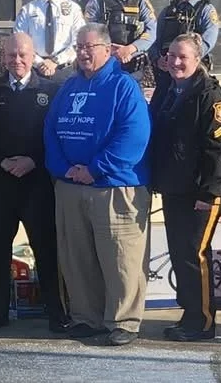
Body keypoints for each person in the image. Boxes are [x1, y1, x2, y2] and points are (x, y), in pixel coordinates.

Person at [44, 24, 152, 347]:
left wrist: (95, 169)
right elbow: (50, 129)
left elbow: (133, 135)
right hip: (71, 185)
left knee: (120, 257)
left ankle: (123, 321)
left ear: (107, 50)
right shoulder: (68, 87)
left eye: (89, 47)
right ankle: (86, 317)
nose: (82, 53)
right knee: (77, 257)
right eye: (78, 47)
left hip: (114, 187)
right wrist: (65, 169)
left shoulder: (124, 87)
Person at [0, 35, 67, 334]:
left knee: (46, 250)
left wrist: (33, 161)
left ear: (33, 55)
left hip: (36, 184)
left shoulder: (52, 91)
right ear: (4, 57)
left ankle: (56, 312)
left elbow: (57, 136)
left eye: (23, 54)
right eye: (12, 54)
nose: (17, 60)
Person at [147, 33, 221, 343]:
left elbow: (218, 150)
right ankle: (189, 314)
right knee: (180, 253)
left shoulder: (211, 97)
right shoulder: (169, 91)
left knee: (195, 255)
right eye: (171, 56)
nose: (176, 62)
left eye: (183, 57)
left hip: (200, 192)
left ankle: (203, 321)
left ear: (198, 60)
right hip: (173, 187)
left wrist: (210, 193)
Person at [83, 0, 157, 71]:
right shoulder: (95, 3)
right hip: (103, 64)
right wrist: (111, 49)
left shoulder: (141, 2)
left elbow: (152, 31)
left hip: (135, 66)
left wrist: (131, 49)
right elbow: (88, 31)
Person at [13, 0, 82, 78]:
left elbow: (78, 41)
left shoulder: (73, 9)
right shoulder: (27, 10)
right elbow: (19, 41)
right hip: (35, 70)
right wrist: (40, 63)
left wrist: (55, 61)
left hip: (65, 70)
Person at [152, 0, 220, 76]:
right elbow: (154, 40)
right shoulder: (167, 11)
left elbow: (208, 42)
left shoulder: (206, 10)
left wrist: (187, 59)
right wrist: (157, 59)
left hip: (193, 73)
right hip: (167, 73)